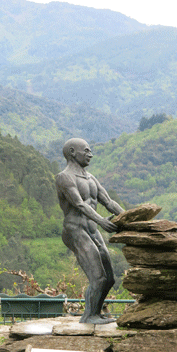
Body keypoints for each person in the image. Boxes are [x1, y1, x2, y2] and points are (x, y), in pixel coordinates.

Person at [56, 138, 124, 324]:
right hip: (75, 230)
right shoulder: (64, 177)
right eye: (86, 151)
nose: (90, 154)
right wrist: (101, 221)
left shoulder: (91, 178)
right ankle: (89, 316)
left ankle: (96, 313)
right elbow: (78, 204)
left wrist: (130, 218)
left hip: (92, 230)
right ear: (72, 152)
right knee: (98, 277)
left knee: (109, 279)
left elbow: (109, 202)